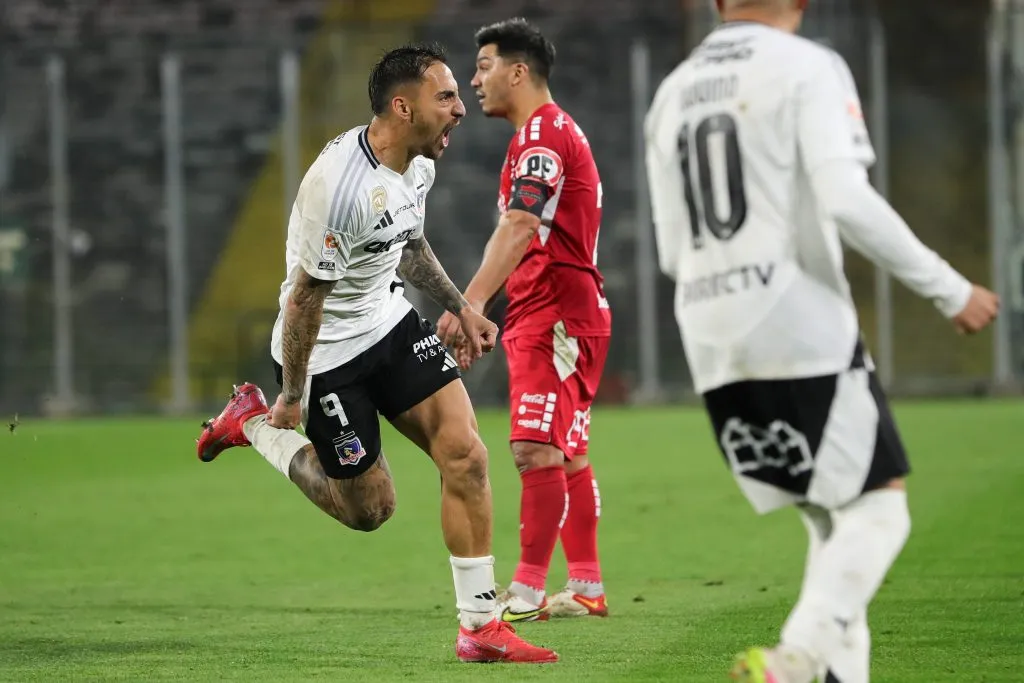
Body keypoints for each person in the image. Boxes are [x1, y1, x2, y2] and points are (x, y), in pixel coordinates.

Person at [644, 2, 1000, 681]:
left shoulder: (672, 90)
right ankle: (798, 657)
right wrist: (950, 289)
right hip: (796, 320)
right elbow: (844, 196)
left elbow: (668, 248)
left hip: (709, 328)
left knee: (832, 528)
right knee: (881, 511)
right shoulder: (808, 66)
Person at [196, 43, 558, 665]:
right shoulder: (339, 187)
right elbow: (305, 301)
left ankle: (481, 627)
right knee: (370, 510)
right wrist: (291, 397)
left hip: (387, 323)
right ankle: (253, 424)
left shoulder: (417, 163)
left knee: (466, 455)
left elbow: (409, 244)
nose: (459, 108)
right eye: (445, 96)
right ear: (403, 105)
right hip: (325, 354)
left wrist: (462, 306)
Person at [436, 18, 612, 623]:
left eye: (483, 67)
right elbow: (521, 236)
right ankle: (585, 586)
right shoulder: (545, 133)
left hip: (557, 314)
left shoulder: (541, 136)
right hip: (566, 309)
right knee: (567, 454)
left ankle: (528, 591)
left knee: (533, 449)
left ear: (518, 71)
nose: (473, 80)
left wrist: (471, 302)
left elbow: (520, 226)